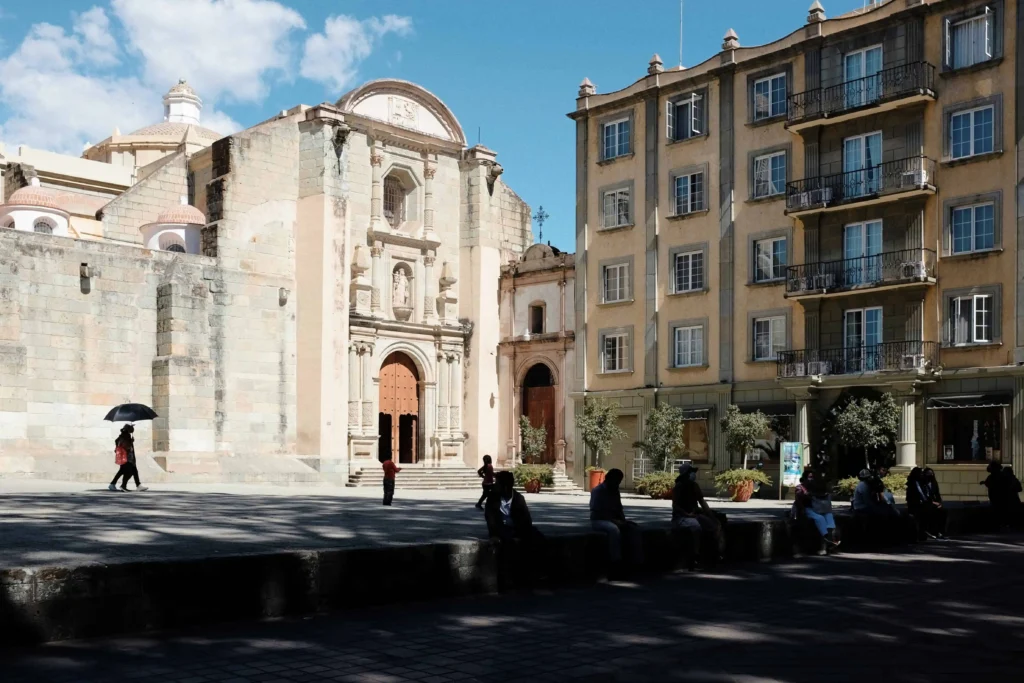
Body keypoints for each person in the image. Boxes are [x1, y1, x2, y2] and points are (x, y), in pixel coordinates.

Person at [671, 463, 725, 569]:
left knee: (715, 525)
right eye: (690, 472)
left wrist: (712, 516)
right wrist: (687, 514)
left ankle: (717, 553)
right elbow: (675, 506)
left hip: (694, 514)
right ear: (685, 474)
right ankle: (695, 557)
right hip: (681, 517)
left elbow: (702, 502)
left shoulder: (695, 486)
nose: (693, 474)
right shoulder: (679, 486)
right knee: (696, 527)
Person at [590, 468, 644, 571]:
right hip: (599, 520)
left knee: (634, 529)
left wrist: (623, 521)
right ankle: (616, 561)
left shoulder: (615, 491)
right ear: (609, 479)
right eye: (616, 480)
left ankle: (637, 560)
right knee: (613, 529)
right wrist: (614, 521)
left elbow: (619, 508)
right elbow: (596, 510)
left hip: (614, 519)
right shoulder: (598, 491)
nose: (617, 483)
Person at [792, 467, 839, 551]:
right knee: (820, 518)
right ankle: (826, 539)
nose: (811, 479)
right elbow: (798, 499)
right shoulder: (800, 487)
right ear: (805, 478)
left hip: (818, 508)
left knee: (829, 515)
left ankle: (831, 537)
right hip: (806, 509)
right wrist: (806, 495)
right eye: (809, 477)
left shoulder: (816, 487)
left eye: (812, 477)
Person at [907, 467, 947, 540]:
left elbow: (931, 495)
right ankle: (926, 533)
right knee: (928, 513)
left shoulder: (923, 484)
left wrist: (938, 503)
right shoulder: (912, 484)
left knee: (942, 512)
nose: (922, 475)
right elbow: (914, 497)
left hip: (925, 504)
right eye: (921, 473)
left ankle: (938, 532)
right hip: (917, 505)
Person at [983, 461, 1022, 529]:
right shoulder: (1000, 476)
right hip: (1001, 499)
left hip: (1000, 499)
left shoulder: (997, 476)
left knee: (1001, 513)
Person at [108, 424, 147, 492]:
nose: (132, 430)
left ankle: (138, 485)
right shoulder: (125, 436)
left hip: (129, 458)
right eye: (131, 429)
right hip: (127, 458)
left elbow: (117, 442)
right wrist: (131, 441)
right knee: (129, 472)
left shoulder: (124, 436)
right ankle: (123, 485)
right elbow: (126, 447)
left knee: (130, 471)